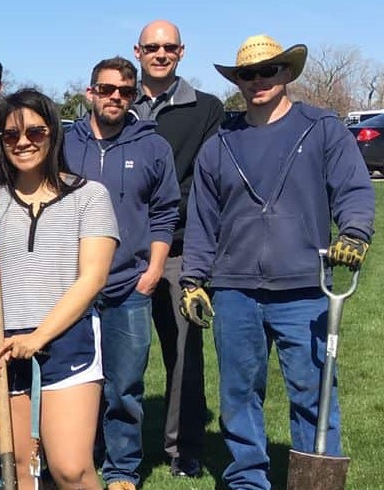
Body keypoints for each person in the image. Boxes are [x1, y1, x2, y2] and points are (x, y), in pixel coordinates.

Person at [183, 35, 375, 490]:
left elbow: (353, 189)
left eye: (268, 71)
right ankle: (248, 478)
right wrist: (193, 278)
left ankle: (316, 478)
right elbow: (203, 217)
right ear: (237, 82)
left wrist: (353, 233)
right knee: (238, 394)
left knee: (314, 391)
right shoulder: (220, 144)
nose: (258, 81)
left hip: (306, 288)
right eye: (247, 74)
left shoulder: (321, 127)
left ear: (286, 73)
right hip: (234, 290)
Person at [0, 89, 116, 490]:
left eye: (35, 131)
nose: (23, 142)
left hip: (67, 341)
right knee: (18, 467)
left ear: (53, 134)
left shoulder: (89, 196)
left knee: (70, 468)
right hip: (1, 345)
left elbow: (92, 278)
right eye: (10, 135)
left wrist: (39, 337)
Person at [62, 57, 181, 490]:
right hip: (71, 286)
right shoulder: (64, 143)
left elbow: (166, 210)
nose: (116, 97)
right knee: (71, 381)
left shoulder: (152, 146)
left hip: (127, 285)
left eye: (125, 91)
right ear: (90, 91)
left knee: (124, 386)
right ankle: (75, 460)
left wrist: (152, 270)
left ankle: (121, 469)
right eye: (107, 89)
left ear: (133, 96)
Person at [130, 20, 223, 477]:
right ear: (137, 51)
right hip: (118, 251)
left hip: (181, 249)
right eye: (152, 47)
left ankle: (183, 449)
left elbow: (203, 183)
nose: (160, 53)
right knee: (112, 354)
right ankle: (114, 447)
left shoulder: (205, 109)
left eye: (169, 47)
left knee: (184, 353)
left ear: (182, 52)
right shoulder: (117, 101)